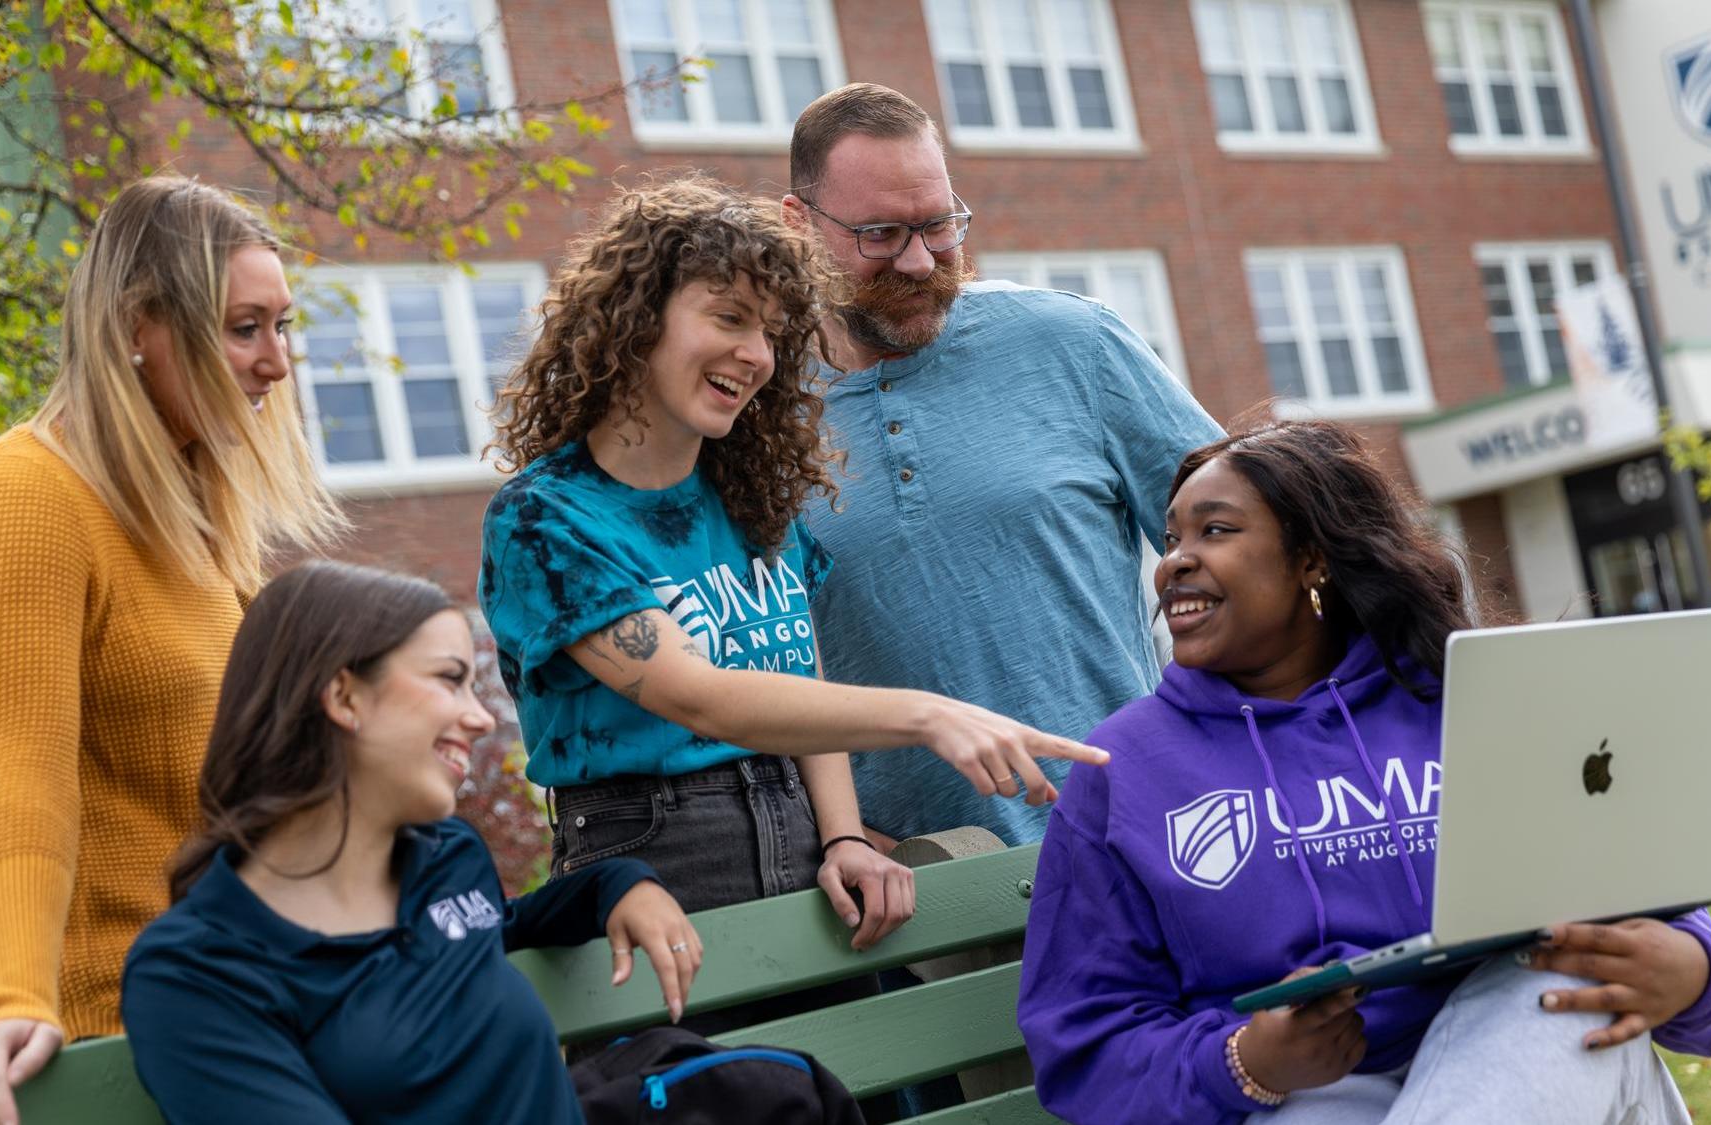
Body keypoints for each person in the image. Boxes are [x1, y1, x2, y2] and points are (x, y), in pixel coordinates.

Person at [1017, 420, 1711, 1124]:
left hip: (1519, 1048)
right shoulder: (1125, 770)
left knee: (1557, 998)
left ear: (1311, 559)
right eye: (1171, 538)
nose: (1174, 560)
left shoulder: (1464, 696)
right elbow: (1085, 1043)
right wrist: (1247, 1059)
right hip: (1302, 1097)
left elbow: (1616, 885)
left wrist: (1696, 966)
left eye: (1216, 530)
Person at [479, 174, 1106, 966]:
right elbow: (697, 695)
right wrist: (926, 715)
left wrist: (843, 835)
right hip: (656, 864)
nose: (757, 356)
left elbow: (799, 682)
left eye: (774, 332)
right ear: (636, 323)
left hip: (805, 855)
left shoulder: (753, 502)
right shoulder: (546, 518)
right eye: (731, 318)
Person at [0, 177, 342, 1124]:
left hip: (244, 1018)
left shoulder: (195, 517)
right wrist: (14, 1000)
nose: (276, 364)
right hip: (103, 1042)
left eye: (284, 326)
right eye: (244, 328)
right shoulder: (21, 501)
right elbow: (24, 787)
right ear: (141, 326)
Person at [780, 83, 1224, 850]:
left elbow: (1247, 555)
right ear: (799, 226)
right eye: (881, 233)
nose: (920, 262)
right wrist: (842, 834)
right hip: (920, 906)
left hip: (1141, 840)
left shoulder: (1073, 342)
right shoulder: (752, 412)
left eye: (940, 224)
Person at [119, 561, 696, 1123]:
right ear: (344, 697)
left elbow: (486, 930)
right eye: (450, 680)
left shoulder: (446, 858)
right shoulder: (196, 971)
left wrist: (616, 885)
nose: (479, 718)